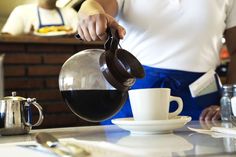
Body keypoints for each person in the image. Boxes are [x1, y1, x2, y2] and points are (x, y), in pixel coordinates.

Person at [77, 0, 236, 123]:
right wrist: (89, 11)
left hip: (203, 104)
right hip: (135, 94)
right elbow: (94, 4)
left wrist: (230, 102)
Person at [1, 0, 78, 35]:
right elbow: (6, 38)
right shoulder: (21, 11)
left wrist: (75, 36)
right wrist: (26, 38)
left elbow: (82, 37)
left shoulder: (70, 12)